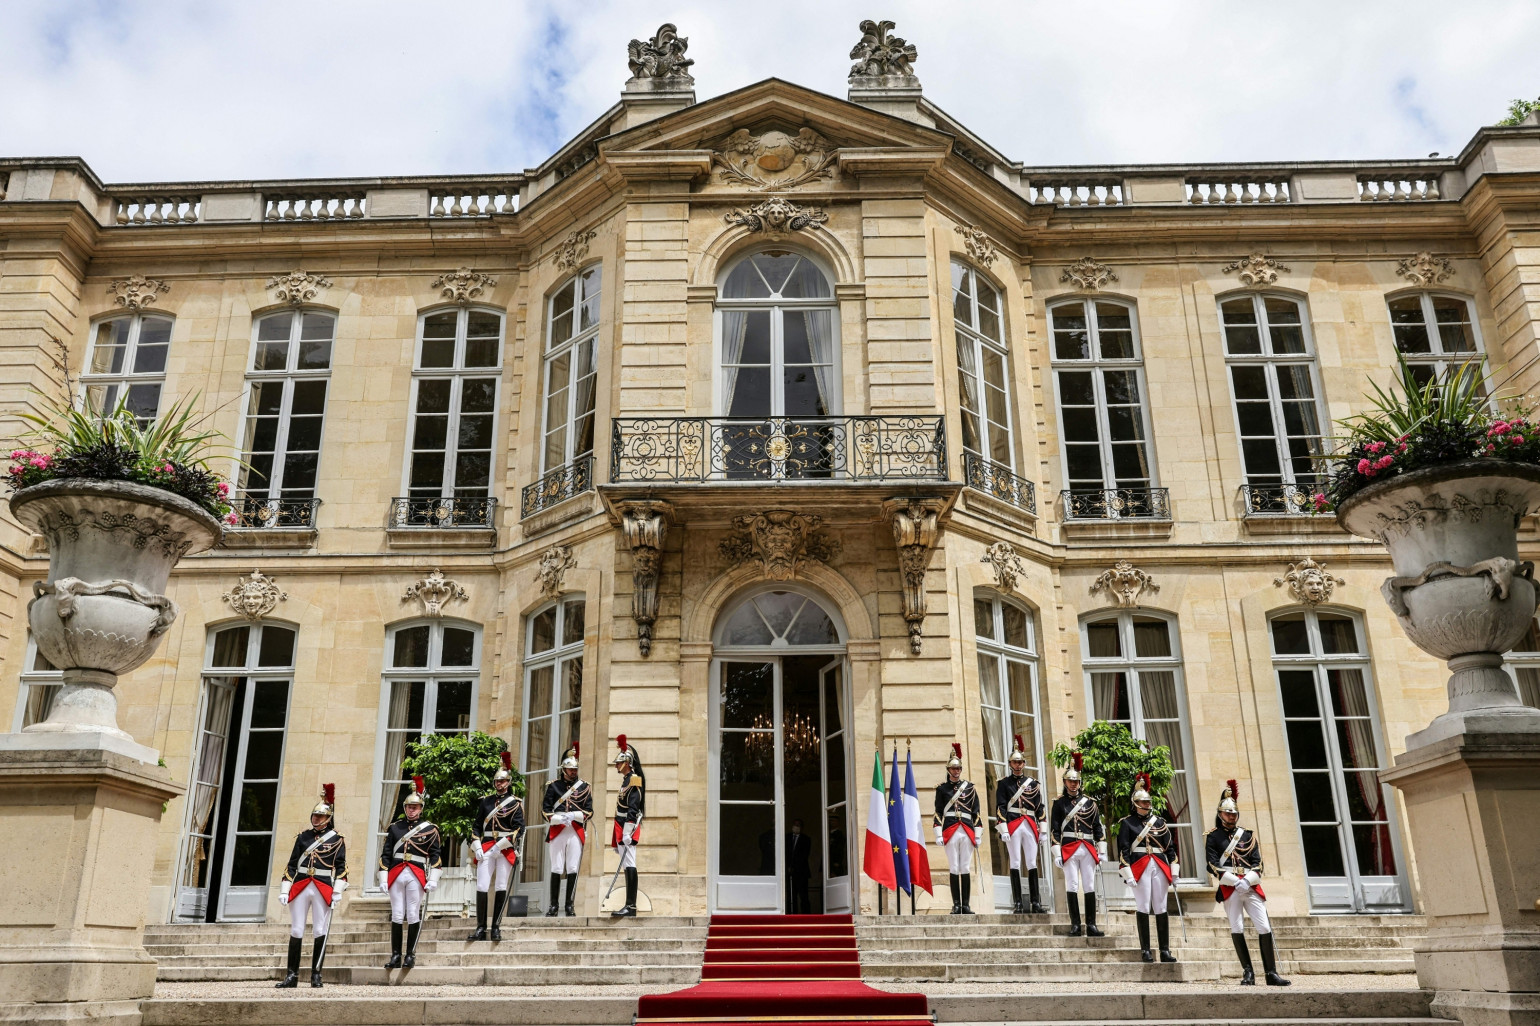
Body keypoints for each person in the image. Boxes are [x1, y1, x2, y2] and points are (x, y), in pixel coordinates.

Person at [1206, 780, 1291, 987]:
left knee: (1263, 926)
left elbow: (1258, 863)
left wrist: (1248, 880)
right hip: (1230, 886)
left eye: (1234, 813)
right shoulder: (1213, 837)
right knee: (1237, 927)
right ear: (1220, 814)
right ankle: (1248, 973)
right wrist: (1235, 881)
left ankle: (1271, 973)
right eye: (1227, 813)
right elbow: (1212, 864)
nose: (1231, 817)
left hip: (1250, 885)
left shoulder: (1247, 835)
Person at [276, 784, 348, 988]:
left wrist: (337, 891)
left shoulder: (337, 839)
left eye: (320, 817)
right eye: (314, 816)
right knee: (297, 929)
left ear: (328, 819)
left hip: (323, 886)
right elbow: (291, 865)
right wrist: (284, 889)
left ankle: (316, 973)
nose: (315, 819)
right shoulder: (303, 837)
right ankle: (292, 975)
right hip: (300, 885)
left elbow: (342, 868)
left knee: (319, 929)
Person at [378, 776, 443, 969]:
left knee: (413, 914)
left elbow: (436, 856)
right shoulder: (395, 828)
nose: (411, 810)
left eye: (415, 807)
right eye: (408, 807)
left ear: (421, 809)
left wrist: (433, 879)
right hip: (397, 873)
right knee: (397, 915)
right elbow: (386, 855)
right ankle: (396, 955)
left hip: (416, 873)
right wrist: (383, 877)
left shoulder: (430, 829)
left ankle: (410, 955)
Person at [1118, 772, 1180, 964]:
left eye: (1148, 802)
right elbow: (1123, 850)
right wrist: (1127, 872)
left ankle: (1165, 950)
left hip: (1159, 866)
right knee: (1143, 907)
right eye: (1143, 802)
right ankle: (1145, 950)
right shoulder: (1127, 823)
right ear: (1135, 802)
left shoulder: (1160, 823)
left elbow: (1170, 848)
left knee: (1161, 907)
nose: (1146, 804)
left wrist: (1174, 871)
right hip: (1139, 866)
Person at [468, 750, 524, 941]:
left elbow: (519, 829)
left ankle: (496, 926)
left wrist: (500, 845)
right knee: (482, 885)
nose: (499, 784)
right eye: (497, 781)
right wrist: (476, 845)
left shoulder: (515, 803)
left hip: (504, 847)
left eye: (502, 781)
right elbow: (476, 826)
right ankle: (481, 927)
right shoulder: (486, 802)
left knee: (501, 885)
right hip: (486, 846)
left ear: (508, 783)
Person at [1049, 751, 1106, 937]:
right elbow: (1055, 830)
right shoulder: (1059, 804)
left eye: (1076, 781)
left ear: (1080, 783)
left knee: (1089, 885)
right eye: (1070, 781)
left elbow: (1097, 827)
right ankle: (1075, 924)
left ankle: (1091, 925)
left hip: (1088, 848)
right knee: (1072, 885)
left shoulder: (1091, 804)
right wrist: (1057, 852)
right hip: (1069, 847)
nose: (1074, 784)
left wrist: (1102, 849)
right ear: (1065, 782)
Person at [994, 734, 1047, 914]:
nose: (1018, 765)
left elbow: (1040, 807)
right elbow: (1000, 807)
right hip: (1014, 824)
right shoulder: (1004, 784)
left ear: (1024, 764)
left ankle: (1036, 902)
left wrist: (1044, 829)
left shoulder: (1033, 784)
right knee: (1015, 862)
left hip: (1030, 824)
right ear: (1010, 764)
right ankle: (1017, 902)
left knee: (1032, 862)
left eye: (1020, 762)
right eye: (1014, 763)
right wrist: (1003, 827)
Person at [542, 742, 593, 917]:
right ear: (564, 769)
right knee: (556, 867)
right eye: (570, 769)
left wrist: (574, 816)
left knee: (572, 868)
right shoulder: (554, 786)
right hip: (558, 830)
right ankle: (553, 905)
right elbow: (545, 809)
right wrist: (556, 818)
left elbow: (589, 810)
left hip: (575, 830)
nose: (573, 772)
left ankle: (569, 905)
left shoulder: (584, 787)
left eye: (575, 769)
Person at [933, 742, 981, 914]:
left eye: (958, 768)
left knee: (965, 867)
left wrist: (978, 833)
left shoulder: (970, 788)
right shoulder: (942, 789)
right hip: (950, 829)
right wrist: (938, 832)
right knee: (954, 867)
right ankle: (956, 904)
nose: (956, 771)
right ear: (948, 770)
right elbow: (938, 812)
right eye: (953, 768)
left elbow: (976, 813)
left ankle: (966, 905)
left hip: (967, 829)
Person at [610, 734, 646, 918]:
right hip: (621, 824)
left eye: (619, 762)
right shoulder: (626, 781)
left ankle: (631, 906)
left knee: (630, 863)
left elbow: (634, 806)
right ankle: (628, 904)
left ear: (627, 763)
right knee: (626, 864)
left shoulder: (634, 780)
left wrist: (628, 830)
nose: (616, 765)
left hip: (627, 825)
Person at [786, 819, 812, 913]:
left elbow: (804, 855)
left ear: (802, 827)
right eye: (795, 824)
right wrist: (788, 866)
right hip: (788, 872)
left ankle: (806, 916)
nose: (796, 827)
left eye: (798, 825)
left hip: (801, 872)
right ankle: (791, 914)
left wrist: (794, 867)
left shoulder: (806, 839)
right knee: (791, 896)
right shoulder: (787, 837)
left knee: (804, 896)